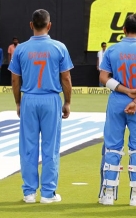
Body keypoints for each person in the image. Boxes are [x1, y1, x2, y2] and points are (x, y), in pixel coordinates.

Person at [8, 9, 73, 204]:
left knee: (28, 146)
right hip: (51, 99)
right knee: (50, 146)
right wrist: (67, 102)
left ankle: (29, 193)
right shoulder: (59, 47)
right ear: (49, 25)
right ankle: (48, 193)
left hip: (29, 97)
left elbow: (14, 79)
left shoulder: (20, 49)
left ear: (31, 25)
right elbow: (66, 78)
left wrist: (18, 102)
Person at [98, 13, 136, 206]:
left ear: (123, 29)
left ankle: (107, 194)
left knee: (112, 147)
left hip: (116, 101)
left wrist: (124, 90)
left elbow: (104, 77)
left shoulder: (112, 50)